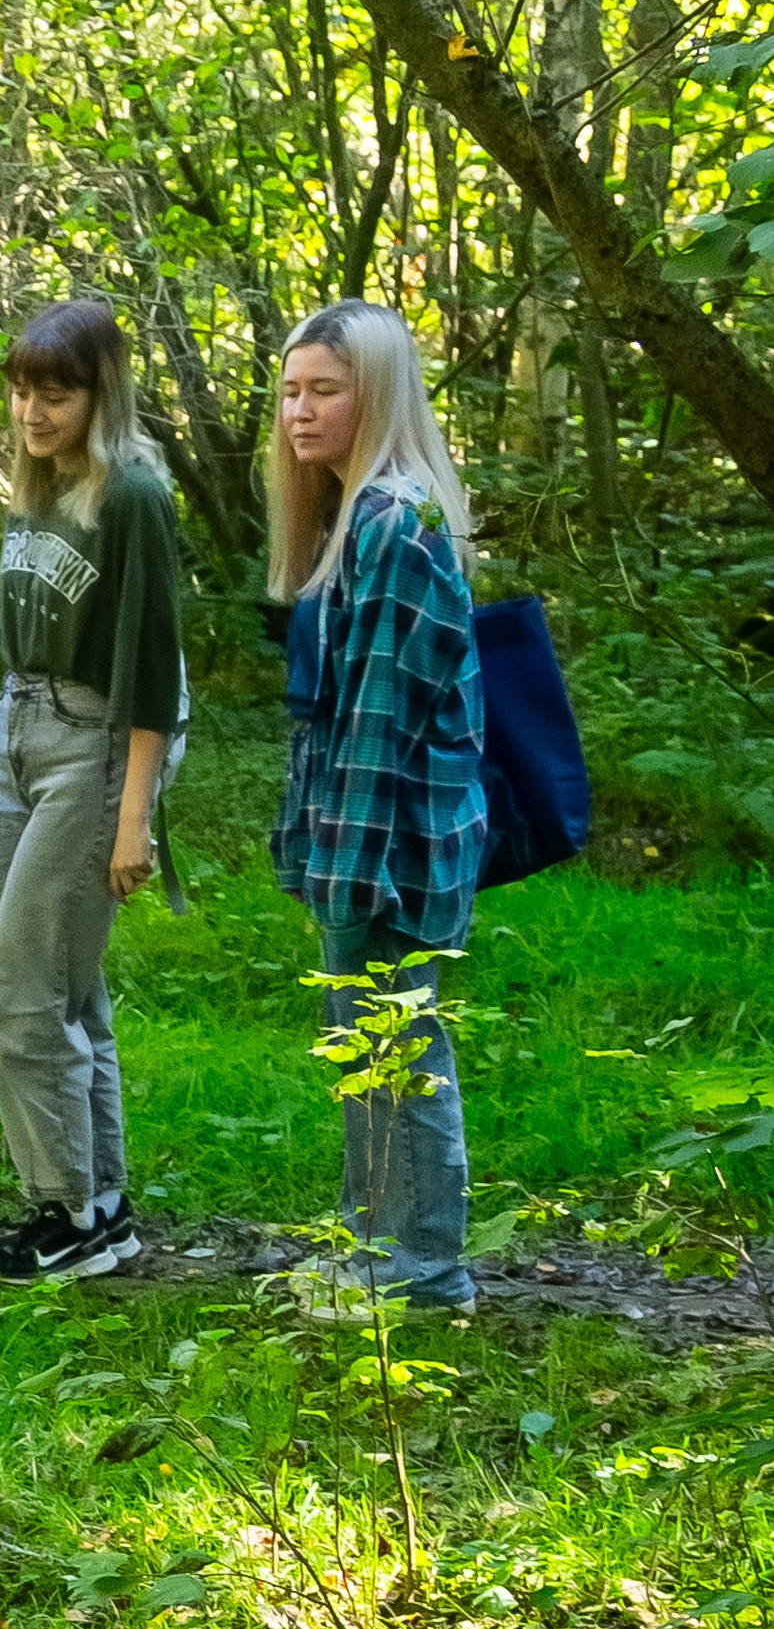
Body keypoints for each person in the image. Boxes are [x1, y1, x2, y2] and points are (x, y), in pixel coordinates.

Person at [269, 299, 486, 1313]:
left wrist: (337, 877)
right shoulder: (353, 516)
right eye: (287, 391)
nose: (297, 413)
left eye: (323, 390)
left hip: (390, 847)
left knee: (395, 1050)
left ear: (377, 394)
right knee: (368, 1049)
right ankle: (376, 1247)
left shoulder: (396, 523)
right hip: (364, 839)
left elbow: (376, 727)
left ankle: (423, 1269)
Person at [0, 296, 184, 1281]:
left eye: (53, 391)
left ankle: (66, 1211)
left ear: (99, 392)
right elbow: (15, 647)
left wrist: (131, 817)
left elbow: (148, 670)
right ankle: (96, 1207)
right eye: (20, 390)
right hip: (20, 736)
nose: (31, 410)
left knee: (17, 996)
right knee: (65, 990)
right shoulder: (35, 487)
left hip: (96, 750)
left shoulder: (130, 497)